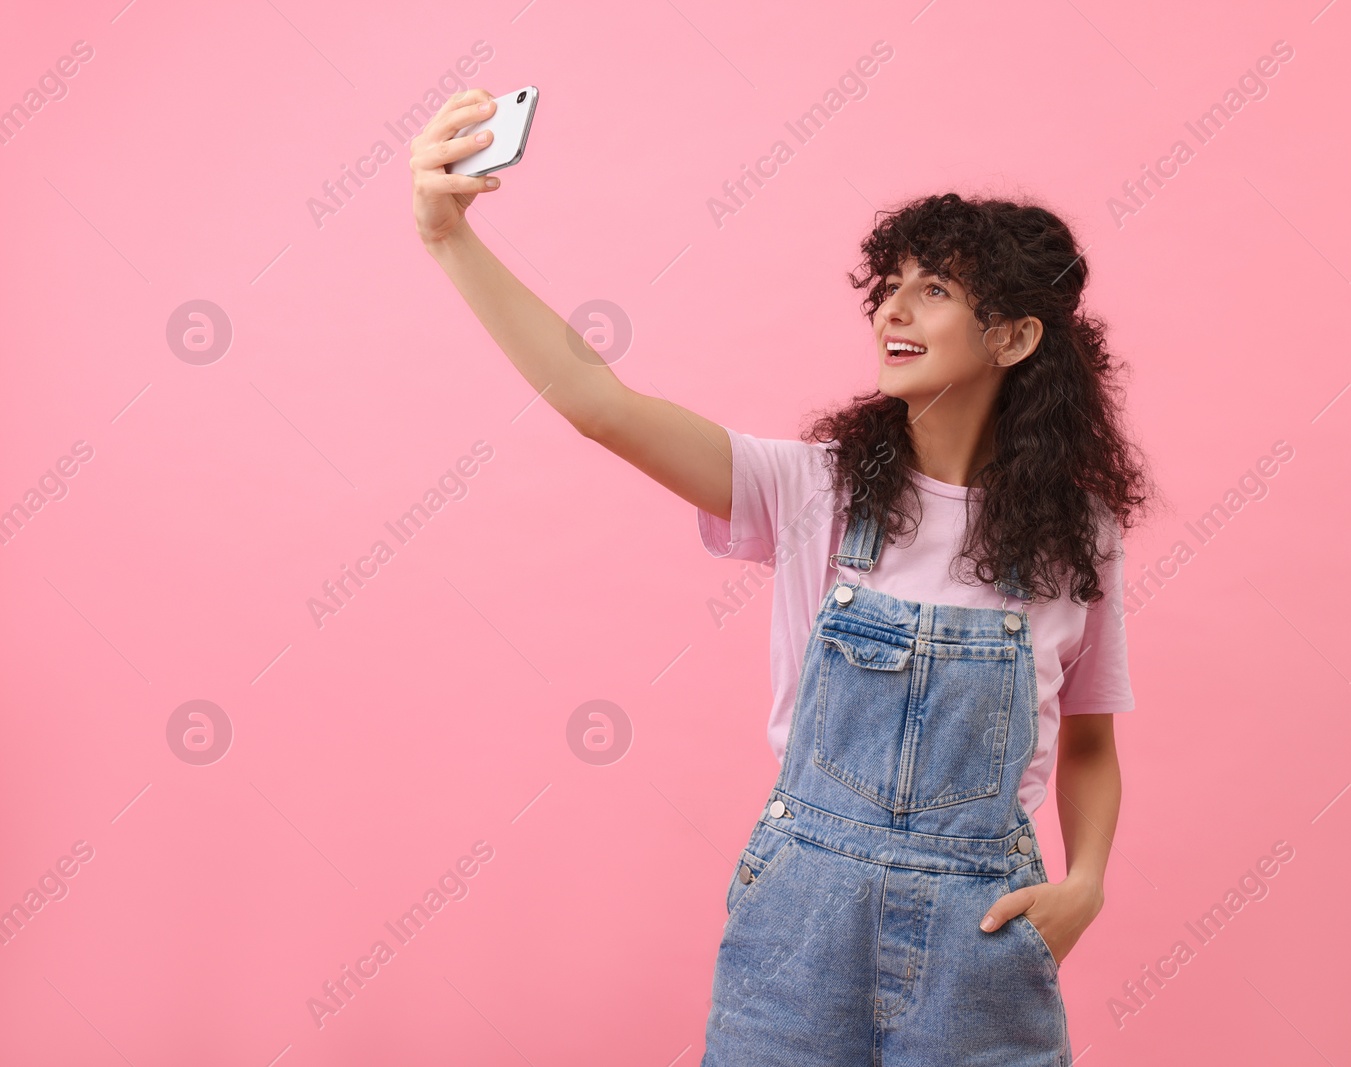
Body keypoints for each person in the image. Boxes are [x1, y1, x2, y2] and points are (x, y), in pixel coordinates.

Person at [412, 88, 1150, 1067]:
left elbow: (1088, 741)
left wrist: (1086, 880)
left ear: (1012, 337)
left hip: (980, 936)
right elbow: (599, 403)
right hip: (800, 925)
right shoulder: (812, 490)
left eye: (933, 288)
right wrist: (447, 238)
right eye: (888, 283)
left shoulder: (1074, 538)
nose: (891, 305)